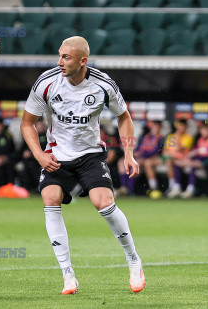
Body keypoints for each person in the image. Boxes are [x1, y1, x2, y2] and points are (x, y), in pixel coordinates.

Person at [20, 36, 145, 295]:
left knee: (103, 202)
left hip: (90, 155)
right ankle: (68, 275)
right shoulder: (47, 82)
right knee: (50, 197)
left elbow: (124, 117)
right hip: (56, 156)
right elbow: (26, 123)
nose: (60, 62)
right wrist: (40, 156)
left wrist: (129, 154)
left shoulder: (103, 85)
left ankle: (133, 259)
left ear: (82, 61)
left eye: (66, 57)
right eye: (59, 55)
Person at [117, 120, 165, 198]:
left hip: (148, 158)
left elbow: (156, 152)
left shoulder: (161, 138)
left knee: (135, 164)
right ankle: (123, 188)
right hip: (139, 156)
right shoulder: (144, 136)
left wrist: (140, 154)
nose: (155, 128)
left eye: (157, 126)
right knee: (121, 162)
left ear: (160, 128)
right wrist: (133, 154)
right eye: (154, 126)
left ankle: (130, 190)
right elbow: (138, 148)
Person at [175, 121, 208, 198]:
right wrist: (188, 156)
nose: (203, 131)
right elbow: (194, 150)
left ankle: (190, 189)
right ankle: (179, 188)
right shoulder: (200, 139)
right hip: (199, 159)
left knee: (193, 164)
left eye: (205, 129)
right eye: (202, 129)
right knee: (179, 163)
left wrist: (197, 152)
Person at [165, 119, 195, 198]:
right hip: (172, 158)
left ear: (186, 127)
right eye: (179, 125)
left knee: (171, 161)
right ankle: (173, 186)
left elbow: (179, 148)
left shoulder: (188, 137)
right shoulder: (171, 136)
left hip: (183, 158)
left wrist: (178, 136)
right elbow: (165, 150)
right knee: (169, 160)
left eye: (183, 126)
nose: (181, 127)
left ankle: (174, 187)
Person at [17, 119, 48, 191]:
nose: (40, 127)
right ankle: (26, 188)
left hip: (41, 160)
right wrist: (24, 153)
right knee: (26, 164)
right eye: (38, 126)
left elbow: (45, 150)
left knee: (32, 165)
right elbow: (22, 149)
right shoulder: (31, 136)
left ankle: (38, 187)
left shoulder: (46, 137)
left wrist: (31, 154)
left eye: (41, 125)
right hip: (30, 159)